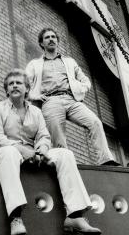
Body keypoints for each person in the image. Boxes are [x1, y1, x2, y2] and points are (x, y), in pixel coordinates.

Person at [0, 68, 101, 235]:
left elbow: (43, 136)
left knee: (65, 154)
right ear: (6, 90)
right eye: (10, 84)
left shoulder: (36, 112)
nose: (14, 86)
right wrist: (23, 150)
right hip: (4, 152)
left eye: (18, 83)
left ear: (27, 88)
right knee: (10, 152)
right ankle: (15, 218)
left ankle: (74, 216)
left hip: (32, 153)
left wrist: (41, 149)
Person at [25, 28, 119, 166]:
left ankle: (105, 159)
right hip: (51, 101)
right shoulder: (35, 64)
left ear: (57, 41)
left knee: (95, 122)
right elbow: (24, 82)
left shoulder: (69, 61)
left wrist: (79, 90)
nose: (51, 39)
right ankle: (64, 165)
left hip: (71, 100)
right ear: (41, 44)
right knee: (58, 137)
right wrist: (34, 96)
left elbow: (85, 81)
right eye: (47, 38)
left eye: (53, 37)